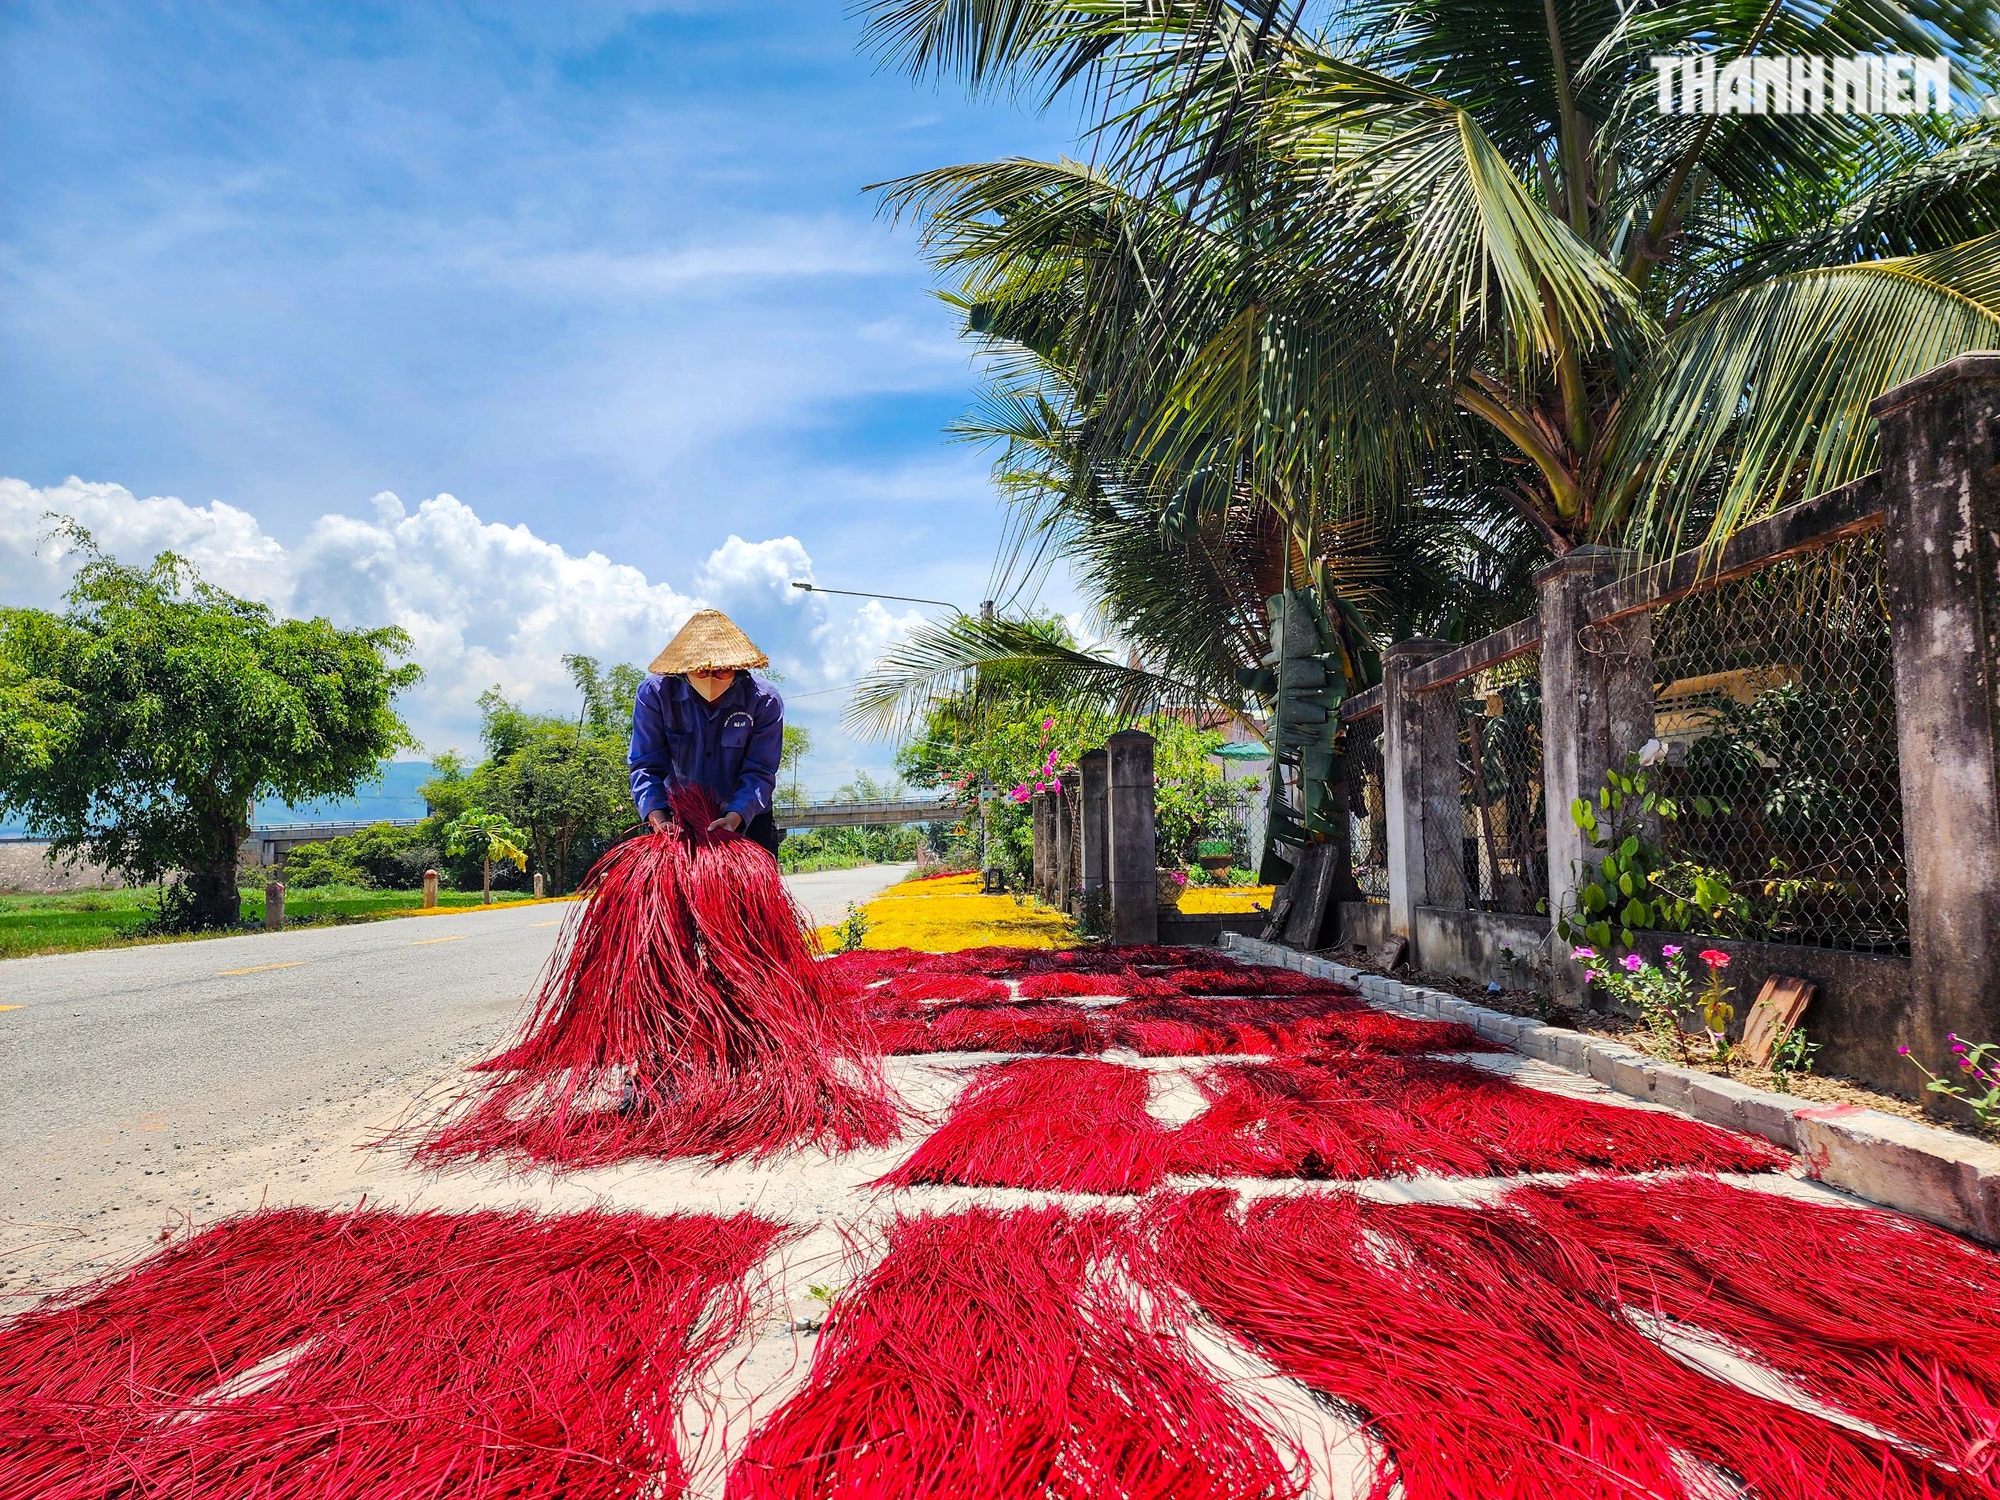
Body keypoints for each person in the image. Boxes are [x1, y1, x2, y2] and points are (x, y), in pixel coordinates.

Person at [629, 609, 787, 857]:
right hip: (677, 818)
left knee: (752, 891)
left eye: (722, 670)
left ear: (737, 667)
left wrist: (734, 817)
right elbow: (645, 764)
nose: (711, 678)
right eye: (701, 671)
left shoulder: (764, 701)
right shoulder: (654, 695)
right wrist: (658, 816)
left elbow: (760, 771)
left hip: (746, 815)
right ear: (684, 668)